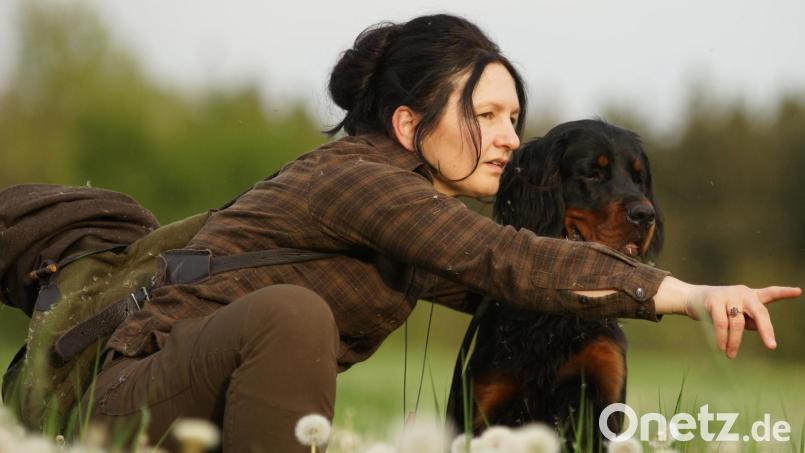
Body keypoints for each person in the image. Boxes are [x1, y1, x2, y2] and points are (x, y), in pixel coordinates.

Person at [80, 14, 800, 452]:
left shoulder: (410, 216)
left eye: (514, 118)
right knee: (290, 316)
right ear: (407, 124)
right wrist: (687, 294)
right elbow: (499, 255)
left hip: (205, 410)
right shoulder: (361, 180)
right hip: (121, 403)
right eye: (485, 116)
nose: (509, 140)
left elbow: (523, 274)